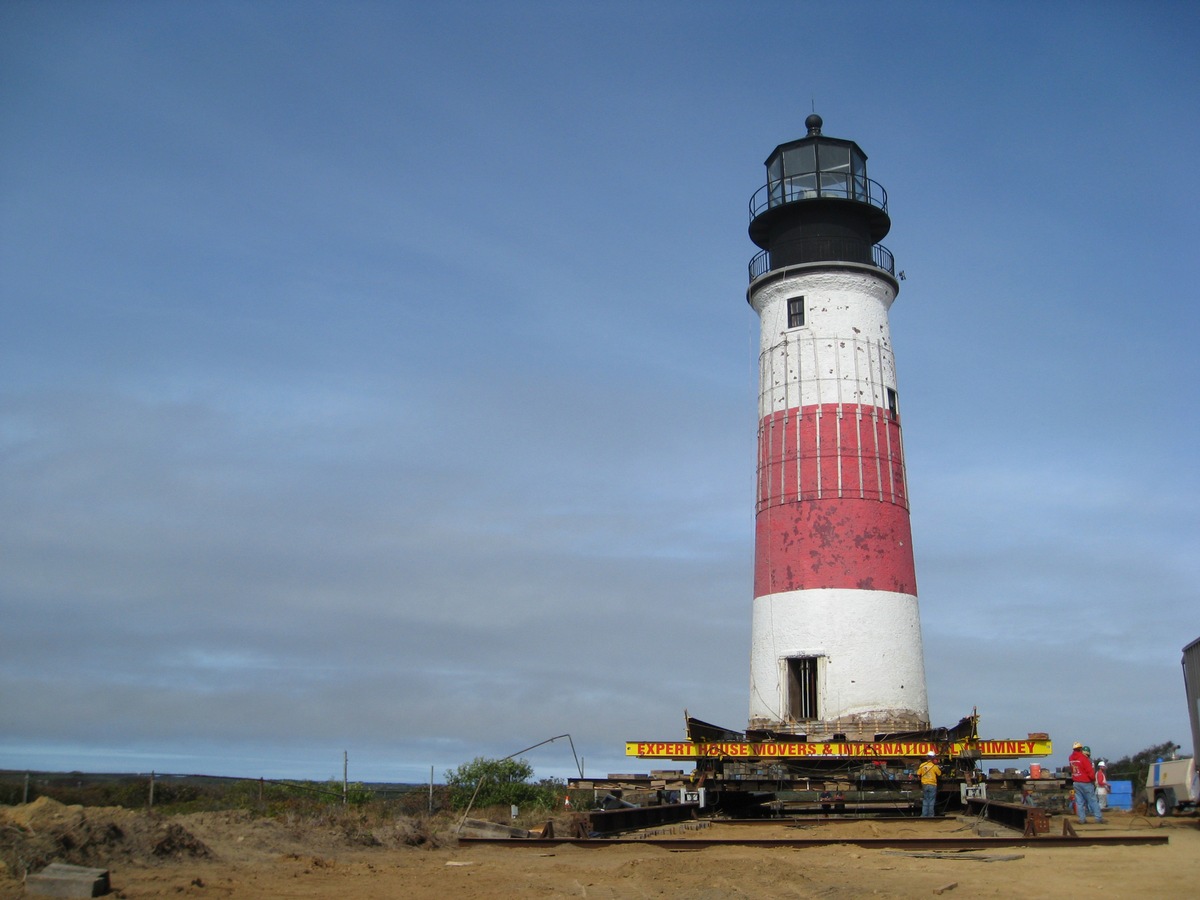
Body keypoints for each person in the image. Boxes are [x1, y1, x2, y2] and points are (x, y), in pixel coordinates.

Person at [1069, 741, 1105, 824]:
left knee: (1079, 802)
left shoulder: (1070, 758)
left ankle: (1082, 819)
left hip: (1076, 782)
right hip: (1086, 782)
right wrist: (1092, 779)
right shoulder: (1083, 758)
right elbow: (1090, 771)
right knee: (1092, 800)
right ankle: (1098, 818)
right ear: (1080, 749)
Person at [917, 751, 941, 817]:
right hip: (932, 784)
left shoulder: (922, 765)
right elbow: (939, 774)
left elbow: (918, 774)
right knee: (931, 800)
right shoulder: (934, 766)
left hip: (924, 784)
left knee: (925, 800)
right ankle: (931, 815)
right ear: (933, 758)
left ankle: (924, 815)